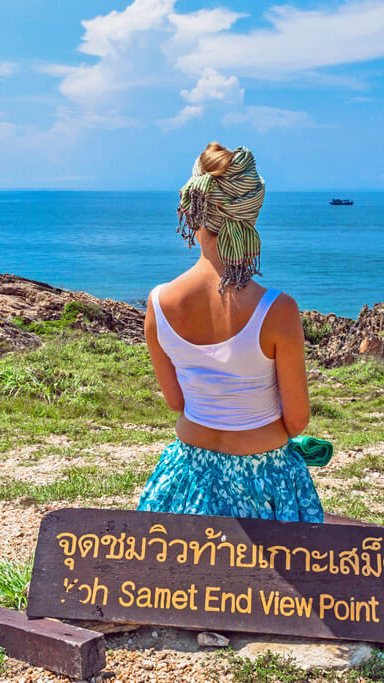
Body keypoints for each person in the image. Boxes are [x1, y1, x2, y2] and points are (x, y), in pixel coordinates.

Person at [137, 142, 324, 523]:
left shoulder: (158, 303)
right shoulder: (278, 310)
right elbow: (297, 420)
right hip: (264, 480)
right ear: (250, 212)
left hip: (187, 475)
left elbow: (176, 402)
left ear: (194, 206)